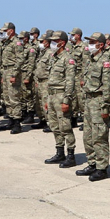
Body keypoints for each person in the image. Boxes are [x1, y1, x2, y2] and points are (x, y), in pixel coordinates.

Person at [75, 32, 110, 181]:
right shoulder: (90, 61)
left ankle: (102, 167)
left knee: (99, 136)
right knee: (88, 135)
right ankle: (92, 163)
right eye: (89, 42)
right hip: (89, 102)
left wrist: (106, 107)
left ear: (101, 45)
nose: (89, 45)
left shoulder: (105, 62)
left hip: (99, 102)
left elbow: (108, 87)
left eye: (93, 42)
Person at [44, 30, 78, 168]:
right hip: (52, 95)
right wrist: (47, 99)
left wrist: (66, 100)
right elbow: (50, 80)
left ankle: (71, 155)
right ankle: (59, 152)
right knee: (54, 125)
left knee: (65, 126)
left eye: (54, 41)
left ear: (62, 43)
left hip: (61, 96)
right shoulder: (54, 57)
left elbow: (70, 81)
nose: (52, 43)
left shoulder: (67, 59)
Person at [0, 22, 28, 134]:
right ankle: (10, 120)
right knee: (6, 97)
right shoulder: (6, 43)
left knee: (14, 98)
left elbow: (20, 59)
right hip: (5, 71)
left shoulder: (17, 43)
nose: (3, 33)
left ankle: (17, 123)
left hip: (12, 71)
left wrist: (14, 74)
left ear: (11, 31)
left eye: (5, 31)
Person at [69, 27, 85, 127]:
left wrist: (83, 78)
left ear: (78, 35)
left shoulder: (83, 47)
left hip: (79, 75)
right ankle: (73, 119)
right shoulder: (72, 47)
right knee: (72, 99)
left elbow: (85, 64)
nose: (71, 37)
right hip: (72, 76)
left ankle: (85, 120)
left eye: (73, 34)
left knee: (81, 99)